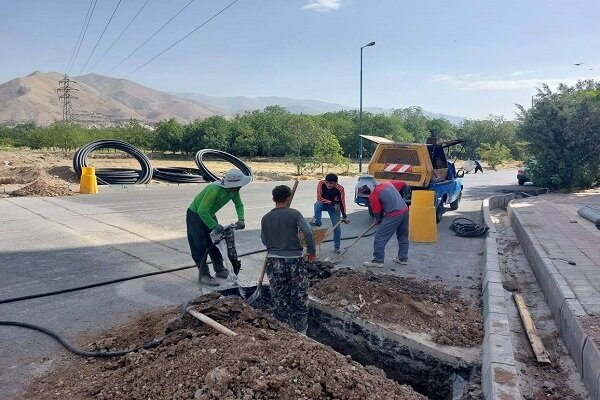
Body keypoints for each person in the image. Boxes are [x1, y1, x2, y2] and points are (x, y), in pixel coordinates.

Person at [261, 185, 316, 334]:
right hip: (294, 262)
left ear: (273, 199)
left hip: (274, 261)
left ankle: (284, 332)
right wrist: (311, 251)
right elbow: (309, 233)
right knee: (299, 296)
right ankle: (302, 332)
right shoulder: (294, 214)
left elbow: (264, 241)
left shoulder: (266, 218)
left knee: (280, 298)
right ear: (289, 198)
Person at [187, 168, 250, 287]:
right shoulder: (213, 190)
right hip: (196, 215)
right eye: (239, 185)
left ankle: (219, 269)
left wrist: (241, 219)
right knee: (199, 245)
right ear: (232, 184)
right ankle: (204, 274)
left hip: (209, 214)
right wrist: (214, 225)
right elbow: (202, 211)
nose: (240, 187)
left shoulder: (233, 191)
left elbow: (239, 204)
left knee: (216, 243)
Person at [362, 180, 410, 268]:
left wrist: (378, 220)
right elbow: (404, 184)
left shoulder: (374, 194)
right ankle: (403, 258)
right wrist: (405, 196)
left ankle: (378, 261)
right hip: (404, 210)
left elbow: (377, 212)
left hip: (393, 214)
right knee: (402, 236)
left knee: (379, 237)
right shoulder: (386, 183)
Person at [309, 173, 350, 254]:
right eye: (327, 182)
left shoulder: (340, 189)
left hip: (334, 208)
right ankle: (318, 222)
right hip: (324, 204)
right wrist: (332, 203)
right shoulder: (321, 183)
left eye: (331, 183)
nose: (328, 185)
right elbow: (319, 198)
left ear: (336, 183)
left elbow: (342, 202)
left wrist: (345, 216)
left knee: (337, 227)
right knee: (317, 204)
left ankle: (337, 247)